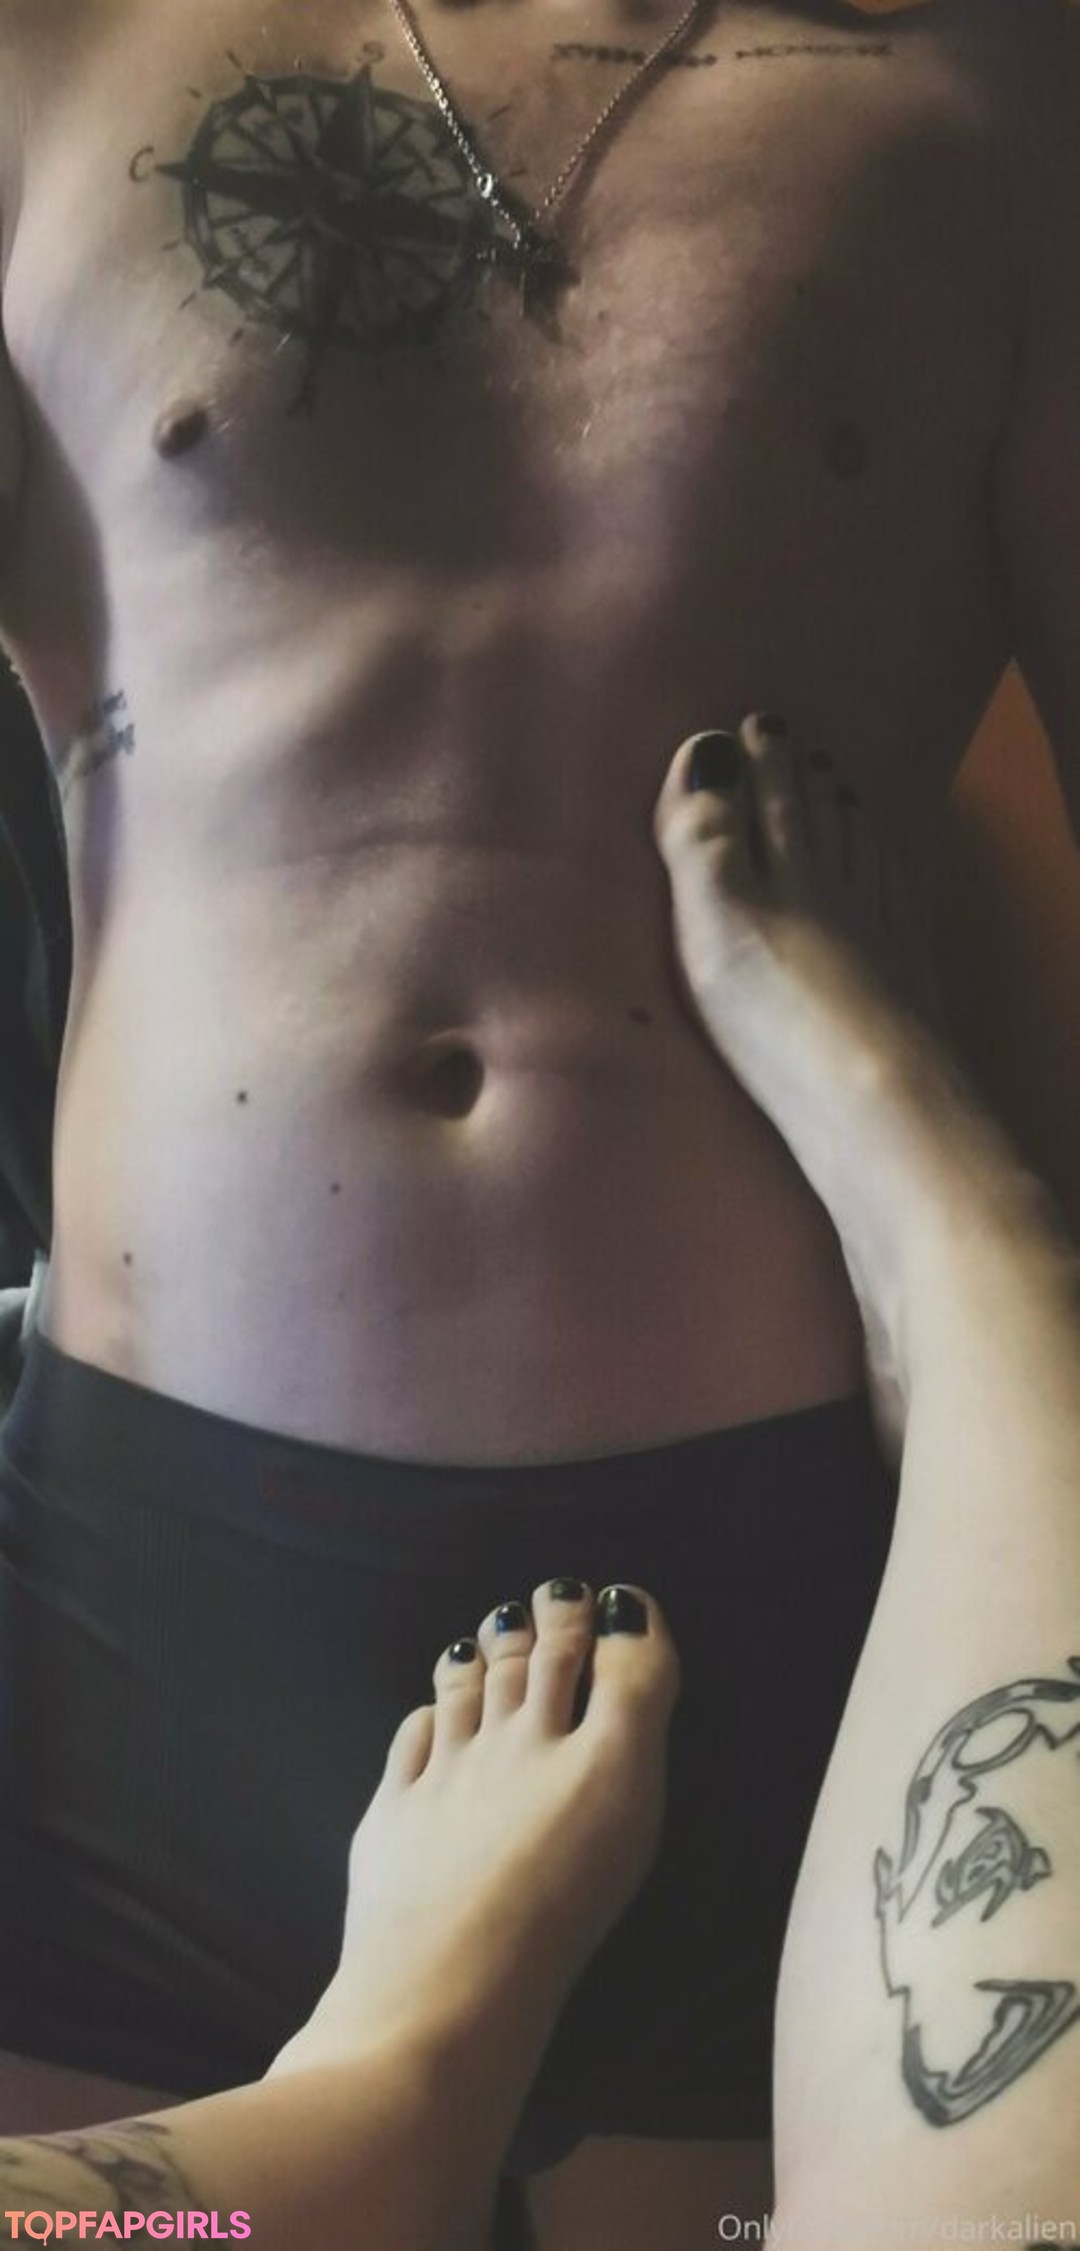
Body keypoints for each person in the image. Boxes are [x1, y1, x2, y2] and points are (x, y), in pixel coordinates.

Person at [0, 0, 1078, 2239]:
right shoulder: (51, 57)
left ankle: (392, 2085)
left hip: (801, 1613)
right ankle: (394, 2089)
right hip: (141, 1611)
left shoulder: (1009, 93)